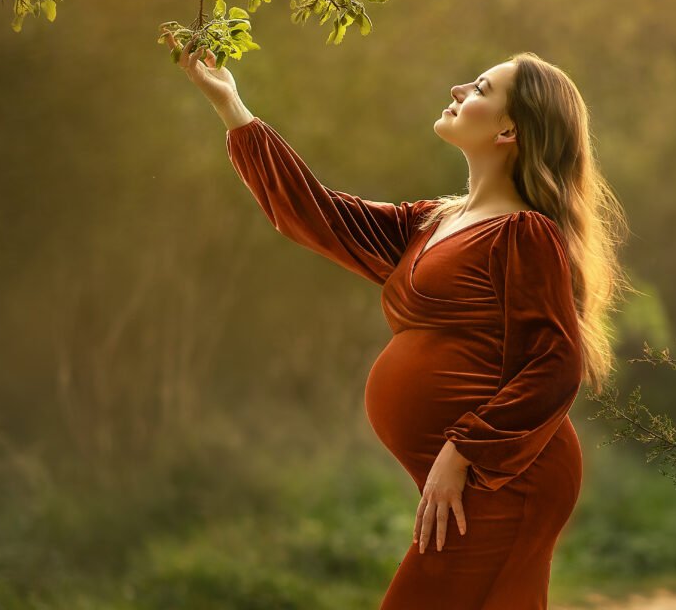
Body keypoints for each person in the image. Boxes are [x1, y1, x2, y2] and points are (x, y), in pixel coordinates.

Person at [164, 35, 629, 609]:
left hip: (507, 476)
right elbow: (318, 214)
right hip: (482, 474)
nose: (459, 89)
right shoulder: (432, 221)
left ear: (508, 132)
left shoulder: (522, 233)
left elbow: (555, 363)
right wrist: (232, 107)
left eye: (481, 88)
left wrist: (466, 451)